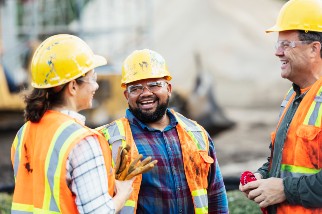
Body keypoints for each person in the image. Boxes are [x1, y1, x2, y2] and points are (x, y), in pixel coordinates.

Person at [11, 34, 134, 213]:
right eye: (92, 78)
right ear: (73, 86)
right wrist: (122, 194)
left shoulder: (24, 133)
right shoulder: (82, 141)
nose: (96, 86)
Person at [97, 49, 228, 213]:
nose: (145, 93)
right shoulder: (108, 140)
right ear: (126, 95)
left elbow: (216, 194)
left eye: (154, 85)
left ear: (169, 88)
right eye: (136, 88)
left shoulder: (196, 133)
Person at [239, 0, 322, 213]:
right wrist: (263, 175)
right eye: (278, 44)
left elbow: (288, 183)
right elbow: (288, 160)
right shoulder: (293, 96)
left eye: (286, 44)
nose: (278, 52)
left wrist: (285, 189)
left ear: (314, 49)